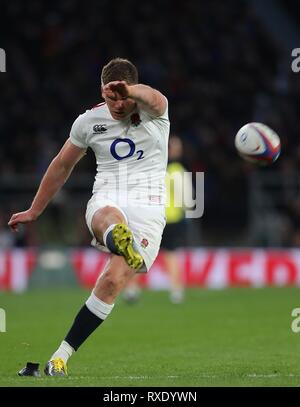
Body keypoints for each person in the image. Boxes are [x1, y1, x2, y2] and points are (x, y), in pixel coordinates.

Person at [8, 58, 169, 376]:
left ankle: (60, 357)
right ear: (101, 92)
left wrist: (131, 91)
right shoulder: (88, 122)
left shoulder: (153, 112)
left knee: (111, 283)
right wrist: (35, 210)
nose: (119, 105)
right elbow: (61, 165)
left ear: (132, 90)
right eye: (112, 98)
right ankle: (118, 237)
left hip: (149, 207)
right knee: (107, 216)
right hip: (108, 196)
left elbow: (156, 98)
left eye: (124, 97)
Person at [123, 135, 192, 304]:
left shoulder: (150, 168)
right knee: (170, 255)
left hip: (150, 218)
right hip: (171, 219)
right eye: (176, 147)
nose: (178, 150)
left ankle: (132, 290)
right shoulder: (176, 170)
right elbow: (187, 200)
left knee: (139, 254)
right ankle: (176, 292)